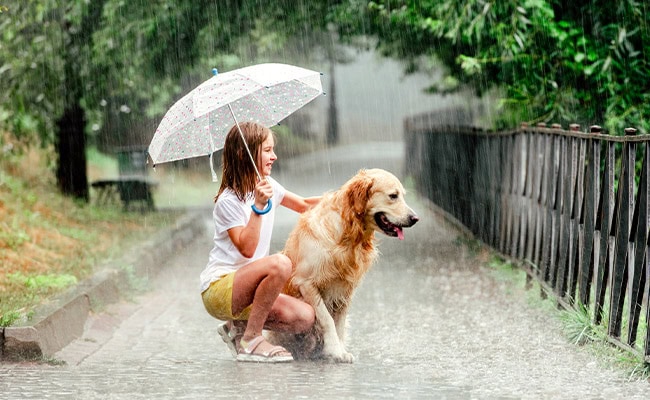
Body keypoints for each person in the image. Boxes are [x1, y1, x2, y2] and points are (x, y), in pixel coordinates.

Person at [200, 121, 318, 363]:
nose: (274, 156)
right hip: (221, 289)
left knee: (305, 317)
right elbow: (247, 248)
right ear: (244, 153)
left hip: (250, 290)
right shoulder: (228, 201)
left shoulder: (269, 186)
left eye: (273, 150)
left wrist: (344, 197)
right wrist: (258, 207)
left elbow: (305, 206)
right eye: (267, 150)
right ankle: (251, 338)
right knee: (280, 264)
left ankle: (236, 328)